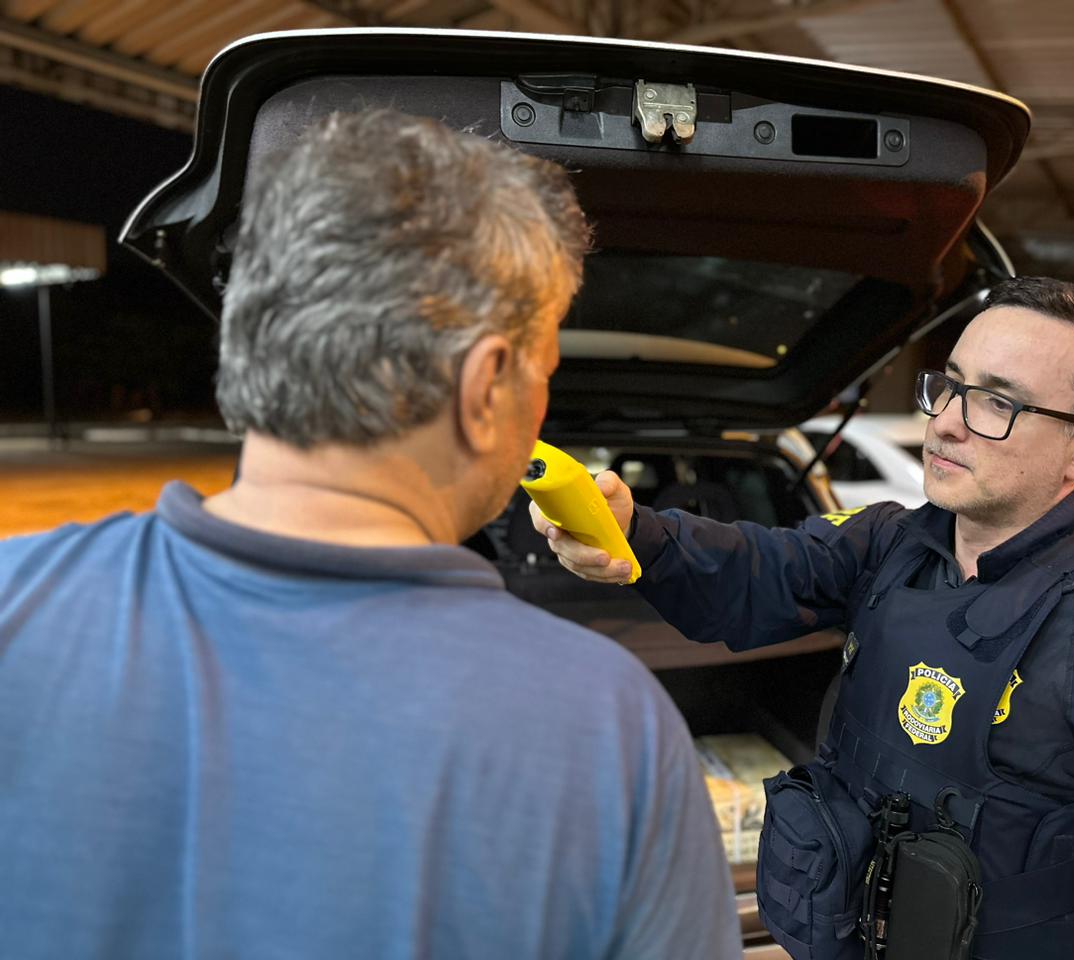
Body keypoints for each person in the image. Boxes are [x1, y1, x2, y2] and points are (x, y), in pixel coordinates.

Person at [0, 110, 740, 960]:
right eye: (545, 371)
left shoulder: (12, 605)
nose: (544, 403)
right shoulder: (610, 734)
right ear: (487, 383)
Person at [534, 276, 1074, 959]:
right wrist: (637, 535)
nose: (948, 423)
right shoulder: (896, 539)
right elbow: (755, 571)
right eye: (950, 384)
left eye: (998, 401)